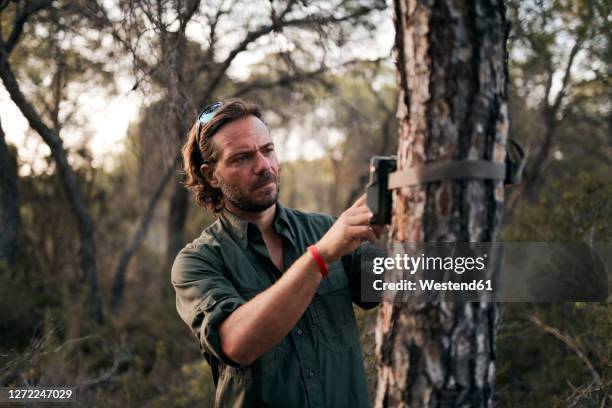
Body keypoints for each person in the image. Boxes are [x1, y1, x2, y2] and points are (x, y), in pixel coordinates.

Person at [171, 99, 383, 407]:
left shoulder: (325, 229)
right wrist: (319, 259)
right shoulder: (198, 262)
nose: (263, 166)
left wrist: (415, 215)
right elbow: (237, 343)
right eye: (242, 158)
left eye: (267, 150)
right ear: (211, 175)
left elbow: (415, 281)